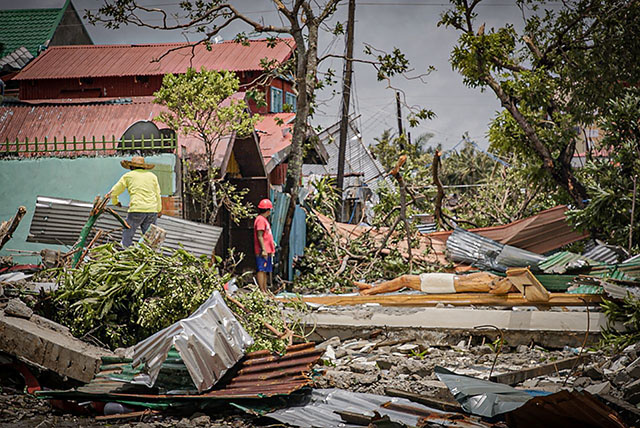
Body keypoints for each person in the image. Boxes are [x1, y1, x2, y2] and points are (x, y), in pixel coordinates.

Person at [110, 156, 162, 248]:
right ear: (144, 167)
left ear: (131, 167)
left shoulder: (128, 176)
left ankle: (125, 253)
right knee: (150, 238)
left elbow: (113, 192)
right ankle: (150, 257)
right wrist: (159, 209)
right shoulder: (152, 176)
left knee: (128, 234)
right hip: (152, 210)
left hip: (136, 209)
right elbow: (157, 194)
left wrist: (115, 202)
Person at [254, 198, 275, 293]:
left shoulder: (263, 220)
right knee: (261, 270)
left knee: (265, 270)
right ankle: (262, 290)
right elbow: (260, 236)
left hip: (267, 250)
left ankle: (265, 290)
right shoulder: (260, 220)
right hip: (263, 250)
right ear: (268, 210)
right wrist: (263, 249)